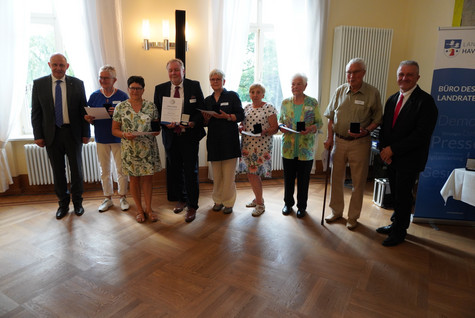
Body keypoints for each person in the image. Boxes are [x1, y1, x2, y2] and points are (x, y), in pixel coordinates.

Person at [377, 60, 438, 246]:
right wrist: (383, 149)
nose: (404, 78)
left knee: (403, 196)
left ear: (417, 77)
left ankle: (399, 232)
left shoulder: (426, 102)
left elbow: (421, 135)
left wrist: (392, 149)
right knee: (395, 194)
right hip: (392, 158)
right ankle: (396, 223)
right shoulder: (392, 99)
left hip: (409, 159)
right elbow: (385, 128)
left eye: (409, 75)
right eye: (401, 74)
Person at [323, 58, 382, 229]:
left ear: (363, 73)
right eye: (349, 72)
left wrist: (367, 130)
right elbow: (330, 117)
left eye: (355, 72)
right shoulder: (340, 90)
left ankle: (353, 217)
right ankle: (336, 211)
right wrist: (329, 138)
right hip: (339, 142)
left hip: (360, 143)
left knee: (358, 182)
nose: (351, 75)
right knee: (336, 178)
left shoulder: (372, 93)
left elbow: (378, 119)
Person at [31, 53, 91, 220]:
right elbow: (36, 112)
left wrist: (86, 133)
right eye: (55, 65)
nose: (58, 68)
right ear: (50, 64)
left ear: (67, 66)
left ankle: (78, 203)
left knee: (77, 171)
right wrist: (38, 135)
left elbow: (83, 110)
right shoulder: (39, 84)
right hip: (52, 135)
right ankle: (63, 204)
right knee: (58, 172)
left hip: (73, 133)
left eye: (62, 65)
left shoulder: (77, 84)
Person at [154, 59, 205, 223]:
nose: (173, 73)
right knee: (175, 170)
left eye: (177, 70)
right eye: (171, 70)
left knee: (191, 171)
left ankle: (192, 205)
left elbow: (200, 110)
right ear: (167, 72)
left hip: (189, 135)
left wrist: (193, 122)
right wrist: (164, 122)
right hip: (171, 137)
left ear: (183, 71)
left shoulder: (194, 86)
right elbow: (157, 112)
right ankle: (182, 199)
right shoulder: (160, 89)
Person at [111, 76, 161, 223]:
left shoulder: (151, 107)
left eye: (138, 88)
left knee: (147, 179)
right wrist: (124, 134)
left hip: (147, 149)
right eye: (132, 88)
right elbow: (114, 130)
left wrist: (153, 132)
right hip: (130, 149)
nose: (135, 91)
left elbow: (157, 130)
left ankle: (149, 209)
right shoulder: (121, 107)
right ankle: (139, 210)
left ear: (143, 90)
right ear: (128, 89)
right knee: (133, 180)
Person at [85, 65, 129, 212]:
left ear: (114, 80)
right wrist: (89, 118)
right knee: (104, 169)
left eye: (106, 77)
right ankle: (107, 198)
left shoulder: (122, 96)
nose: (102, 80)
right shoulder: (94, 96)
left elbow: (129, 118)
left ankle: (123, 196)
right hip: (101, 137)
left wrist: (118, 113)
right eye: (101, 77)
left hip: (118, 138)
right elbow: (90, 117)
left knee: (121, 169)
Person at [278, 73, 322, 218]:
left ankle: (302, 207)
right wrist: (281, 127)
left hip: (306, 149)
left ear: (305, 86)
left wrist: (311, 128)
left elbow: (319, 123)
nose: (295, 86)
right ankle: (288, 204)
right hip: (288, 148)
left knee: (304, 180)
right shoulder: (285, 103)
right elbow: (280, 122)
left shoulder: (312, 103)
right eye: (293, 84)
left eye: (298, 84)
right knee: (288, 178)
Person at [202, 69, 244, 215]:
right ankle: (217, 200)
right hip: (214, 140)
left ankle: (228, 202)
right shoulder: (207, 100)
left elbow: (240, 115)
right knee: (217, 175)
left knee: (229, 175)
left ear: (223, 81)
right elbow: (205, 122)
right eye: (212, 79)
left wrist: (228, 116)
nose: (215, 82)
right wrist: (206, 119)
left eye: (217, 79)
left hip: (229, 141)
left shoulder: (232, 96)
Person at [238, 83, 278, 216]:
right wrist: (241, 127)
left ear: (263, 94)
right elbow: (243, 124)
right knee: (250, 173)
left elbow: (275, 128)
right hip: (247, 144)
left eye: (258, 92)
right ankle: (258, 199)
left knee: (254, 174)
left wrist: (265, 131)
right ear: (249, 94)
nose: (255, 95)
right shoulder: (247, 107)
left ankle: (260, 204)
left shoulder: (269, 107)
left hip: (261, 145)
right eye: (252, 92)